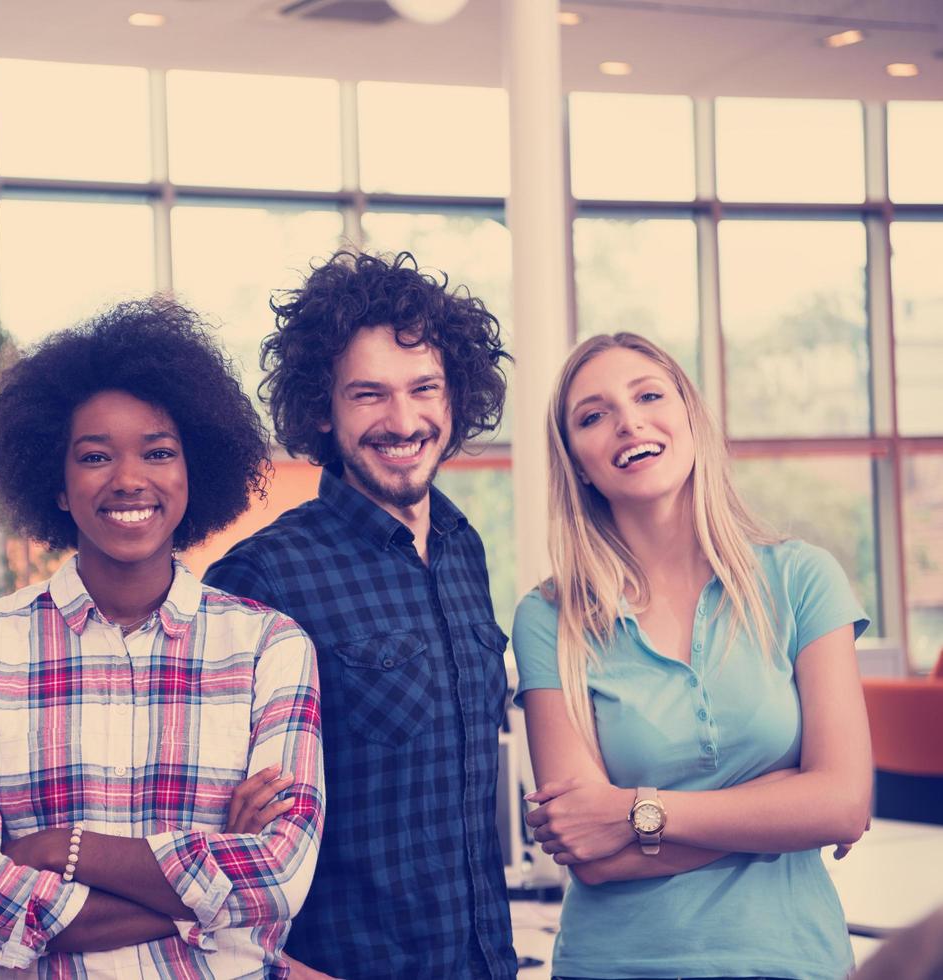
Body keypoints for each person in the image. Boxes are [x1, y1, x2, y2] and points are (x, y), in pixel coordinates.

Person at [0, 298, 325, 978]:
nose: (129, 479)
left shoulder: (269, 650)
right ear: (57, 484)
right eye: (95, 456)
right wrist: (209, 877)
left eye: (158, 452)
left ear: (193, 471)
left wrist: (64, 849)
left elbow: (279, 879)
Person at [511, 332, 873, 980]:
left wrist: (635, 813)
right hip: (612, 965)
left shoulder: (802, 579)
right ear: (576, 462)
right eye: (591, 416)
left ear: (690, 419)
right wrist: (785, 805)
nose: (628, 422)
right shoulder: (549, 618)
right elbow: (587, 851)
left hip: (793, 961)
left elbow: (843, 802)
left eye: (648, 394)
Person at [204, 250, 517, 979]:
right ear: (322, 408)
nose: (402, 420)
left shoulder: (462, 548)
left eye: (424, 389)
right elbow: (209, 824)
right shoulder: (260, 576)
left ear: (454, 398)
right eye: (368, 394)